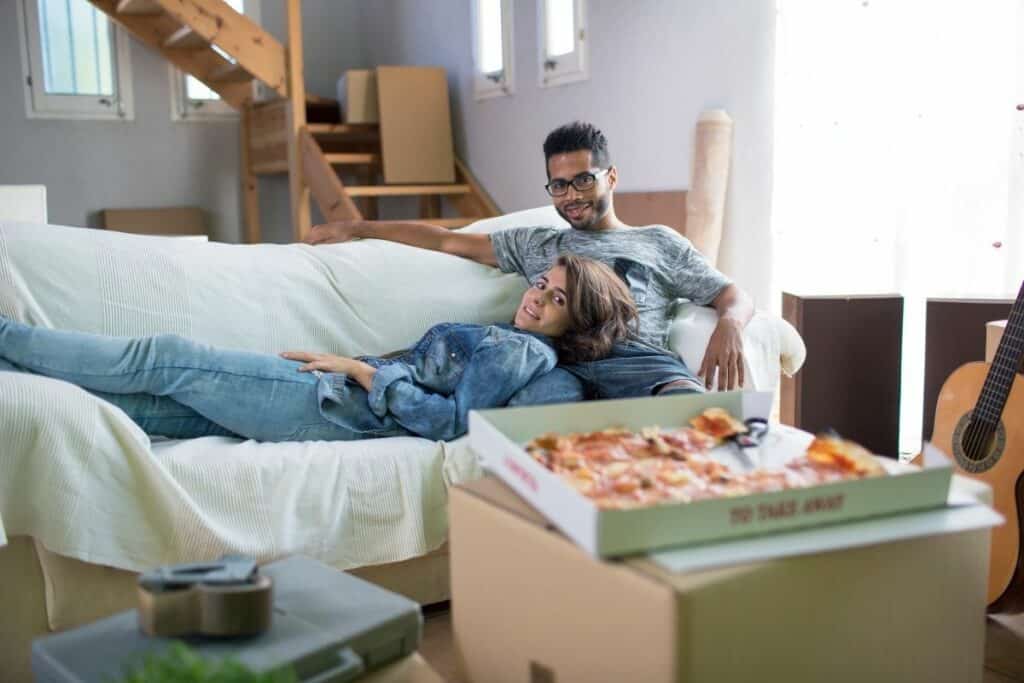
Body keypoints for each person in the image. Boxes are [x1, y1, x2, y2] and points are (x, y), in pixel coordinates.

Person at [305, 121, 753, 404]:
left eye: (583, 180)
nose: (571, 195)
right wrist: (357, 227)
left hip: (636, 362)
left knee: (692, 410)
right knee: (528, 407)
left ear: (611, 177)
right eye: (559, 185)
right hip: (559, 363)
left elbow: (732, 295)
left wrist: (731, 323)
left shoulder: (657, 241)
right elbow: (445, 240)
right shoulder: (538, 243)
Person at [0, 255, 636, 443]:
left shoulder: (524, 355)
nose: (537, 298)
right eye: (542, 284)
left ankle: (7, 338)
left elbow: (451, 423)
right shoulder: (512, 338)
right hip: (335, 397)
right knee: (154, 412)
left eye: (557, 300)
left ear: (575, 322)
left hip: (333, 403)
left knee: (164, 358)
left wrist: (360, 370)